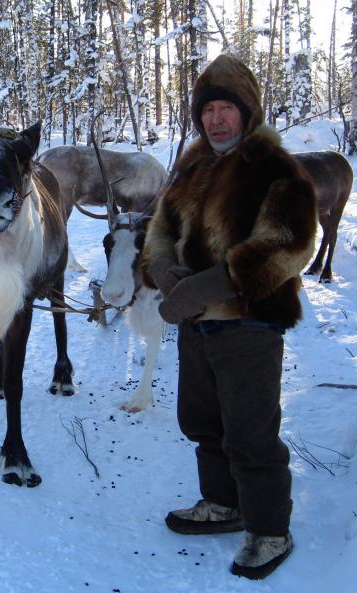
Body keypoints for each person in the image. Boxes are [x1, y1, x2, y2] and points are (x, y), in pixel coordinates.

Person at [141, 53, 317, 580]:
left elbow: (289, 244)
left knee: (250, 431)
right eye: (208, 109)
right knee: (202, 421)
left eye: (227, 108)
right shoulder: (192, 167)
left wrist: (201, 287)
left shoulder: (275, 169)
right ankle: (222, 503)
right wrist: (167, 273)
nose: (216, 119)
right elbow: (161, 230)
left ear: (248, 111)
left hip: (250, 321)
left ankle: (269, 529)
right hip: (197, 323)